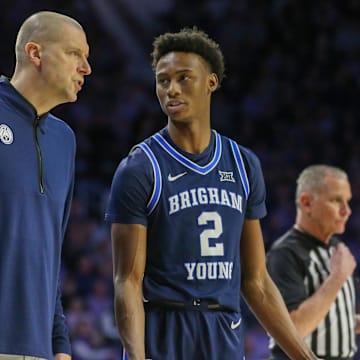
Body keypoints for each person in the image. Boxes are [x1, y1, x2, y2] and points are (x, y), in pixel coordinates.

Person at [105, 27, 317, 360]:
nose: (171, 89)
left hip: (224, 328)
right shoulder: (140, 168)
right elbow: (127, 281)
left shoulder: (244, 164)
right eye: (163, 81)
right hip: (166, 327)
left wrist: (306, 358)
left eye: (184, 78)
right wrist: (135, 356)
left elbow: (257, 282)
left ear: (211, 82)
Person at [0, 11, 91, 360]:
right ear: (35, 54)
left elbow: (50, 251)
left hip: (38, 349)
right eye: (75, 55)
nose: (86, 69)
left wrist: (59, 342)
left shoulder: (64, 141)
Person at [266, 164, 360, 359]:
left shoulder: (337, 248)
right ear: (307, 203)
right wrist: (338, 278)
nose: (347, 211)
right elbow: (292, 330)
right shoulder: (285, 254)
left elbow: (328, 320)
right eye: (336, 200)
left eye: (348, 201)